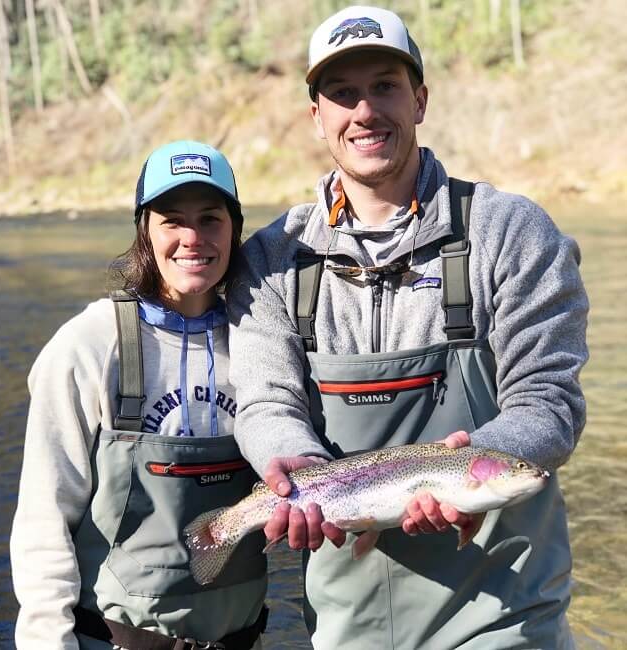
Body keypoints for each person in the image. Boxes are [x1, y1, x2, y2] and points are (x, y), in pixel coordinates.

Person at [227, 5, 588, 649]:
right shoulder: (271, 259)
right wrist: (297, 467)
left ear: (420, 100)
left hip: (504, 616)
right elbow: (264, 401)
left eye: (385, 86)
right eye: (342, 93)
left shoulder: (509, 232)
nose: (365, 111)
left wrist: (469, 466)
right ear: (317, 118)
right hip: (346, 620)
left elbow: (549, 403)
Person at [10, 140, 268, 650]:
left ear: (235, 230)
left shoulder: (261, 343)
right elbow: (44, 516)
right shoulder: (87, 345)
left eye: (211, 219)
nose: (193, 238)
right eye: (172, 220)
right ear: (144, 233)